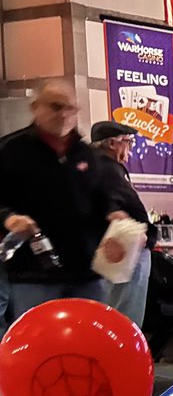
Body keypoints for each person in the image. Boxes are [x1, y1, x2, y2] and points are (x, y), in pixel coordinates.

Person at [0, 80, 124, 320]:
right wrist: (9, 218)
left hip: (86, 274)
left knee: (88, 342)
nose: (64, 115)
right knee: (38, 344)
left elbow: (102, 197)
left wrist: (113, 214)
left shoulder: (86, 153)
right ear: (35, 107)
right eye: (56, 107)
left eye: (71, 108)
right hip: (34, 274)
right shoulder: (12, 151)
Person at [92, 120, 158, 327]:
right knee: (125, 316)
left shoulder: (96, 168)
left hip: (115, 247)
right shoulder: (108, 170)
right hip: (125, 249)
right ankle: (121, 357)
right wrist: (134, 230)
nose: (130, 148)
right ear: (112, 143)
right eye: (128, 142)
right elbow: (111, 208)